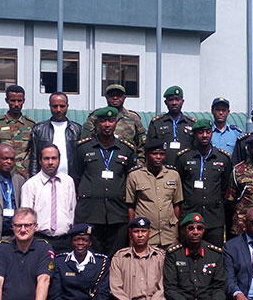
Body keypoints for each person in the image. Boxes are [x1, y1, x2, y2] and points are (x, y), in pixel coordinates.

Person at [72, 107, 136, 255]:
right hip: (90, 213)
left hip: (117, 214)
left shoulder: (126, 149)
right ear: (97, 123)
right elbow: (76, 177)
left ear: (116, 123)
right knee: (92, 257)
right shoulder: (83, 148)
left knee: (116, 257)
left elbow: (130, 180)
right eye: (103, 121)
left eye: (111, 121)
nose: (107, 125)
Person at [176, 119, 233, 245]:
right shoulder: (184, 158)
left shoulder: (223, 158)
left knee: (214, 253)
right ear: (195, 134)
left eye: (208, 132)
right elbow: (179, 184)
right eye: (201, 132)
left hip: (214, 217)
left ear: (212, 133)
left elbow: (224, 186)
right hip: (189, 215)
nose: (205, 135)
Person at [126, 139, 183, 247]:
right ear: (146, 154)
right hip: (145, 235)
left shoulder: (173, 175)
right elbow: (131, 207)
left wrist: (176, 234)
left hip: (168, 235)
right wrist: (131, 235)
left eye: (162, 154)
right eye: (155, 154)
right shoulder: (134, 175)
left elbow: (176, 205)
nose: (158, 157)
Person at [20, 144, 77, 252]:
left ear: (59, 160)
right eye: (46, 158)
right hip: (40, 240)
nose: (50, 162)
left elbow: (72, 210)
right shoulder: (31, 185)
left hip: (65, 240)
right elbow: (26, 218)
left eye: (54, 158)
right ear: (40, 161)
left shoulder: (68, 181)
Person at [81, 84, 146, 159]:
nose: (115, 98)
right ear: (106, 97)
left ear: (124, 98)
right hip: (100, 159)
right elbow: (85, 141)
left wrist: (140, 161)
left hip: (127, 161)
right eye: (111, 95)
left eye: (119, 95)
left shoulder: (134, 118)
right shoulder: (95, 116)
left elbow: (142, 144)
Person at [28, 92, 82, 177]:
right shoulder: (39, 129)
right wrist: (33, 180)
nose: (58, 110)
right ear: (50, 106)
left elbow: (81, 159)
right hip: (45, 181)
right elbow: (34, 160)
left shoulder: (77, 129)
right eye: (55, 106)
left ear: (67, 106)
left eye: (62, 106)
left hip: (70, 180)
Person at [0, 85, 36, 178]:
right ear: (7, 100)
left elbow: (34, 152)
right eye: (12, 100)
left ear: (24, 101)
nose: (16, 104)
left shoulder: (31, 125)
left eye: (19, 101)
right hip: (3, 173)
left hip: (24, 174)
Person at [147, 85, 196, 165]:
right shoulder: (157, 123)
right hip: (163, 168)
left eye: (177, 99)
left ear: (182, 101)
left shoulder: (192, 123)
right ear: (166, 102)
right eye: (171, 100)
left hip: (186, 168)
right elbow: (149, 148)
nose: (174, 103)